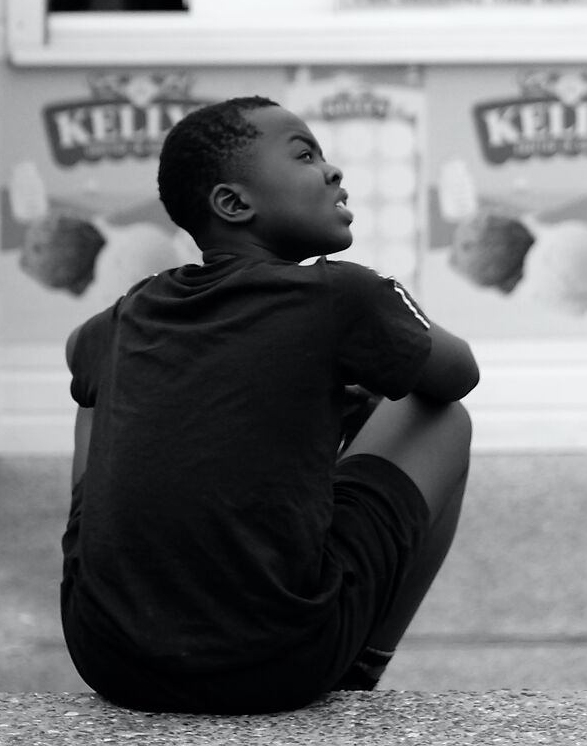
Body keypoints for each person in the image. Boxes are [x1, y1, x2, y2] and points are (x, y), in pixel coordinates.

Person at [60, 96, 477, 713]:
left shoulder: (135, 309)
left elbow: (78, 351)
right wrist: (370, 340)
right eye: (306, 155)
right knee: (438, 415)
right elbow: (458, 373)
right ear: (233, 203)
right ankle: (362, 666)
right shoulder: (343, 293)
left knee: (101, 377)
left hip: (108, 656)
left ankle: (115, 582)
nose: (333, 170)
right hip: (280, 662)